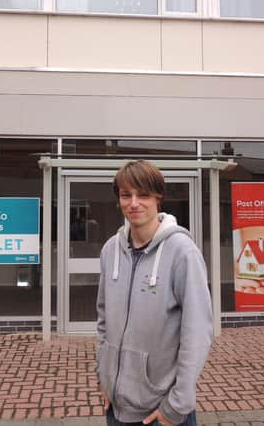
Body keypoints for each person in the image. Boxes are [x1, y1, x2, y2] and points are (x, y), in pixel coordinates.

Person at [96, 160, 214, 426]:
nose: (134, 203)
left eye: (143, 195)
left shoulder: (183, 252)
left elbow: (197, 332)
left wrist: (177, 405)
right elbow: (103, 320)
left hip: (163, 411)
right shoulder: (110, 250)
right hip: (116, 408)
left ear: (158, 198)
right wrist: (103, 378)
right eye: (126, 195)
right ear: (119, 200)